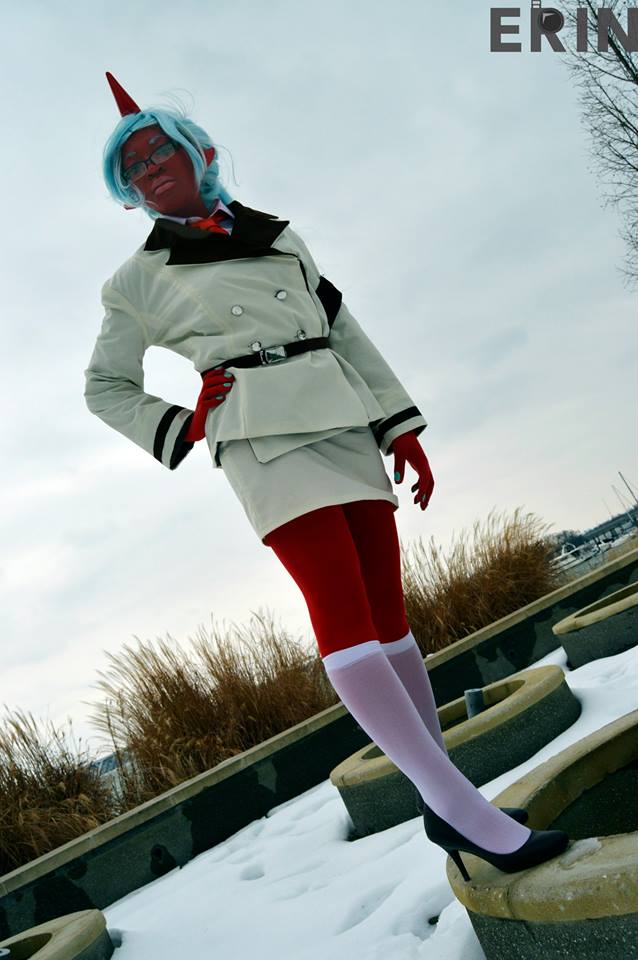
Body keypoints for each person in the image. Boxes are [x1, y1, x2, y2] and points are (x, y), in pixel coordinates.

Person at [84, 72, 569, 881]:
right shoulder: (137, 279)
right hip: (262, 436)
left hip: (343, 420)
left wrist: (400, 427)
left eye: (157, 150)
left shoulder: (280, 235)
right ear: (128, 191)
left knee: (389, 618)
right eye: (131, 167)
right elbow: (105, 387)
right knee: (344, 620)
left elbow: (344, 331)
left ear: (198, 151)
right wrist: (186, 422)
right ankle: (460, 806)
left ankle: (448, 805)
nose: (147, 168)